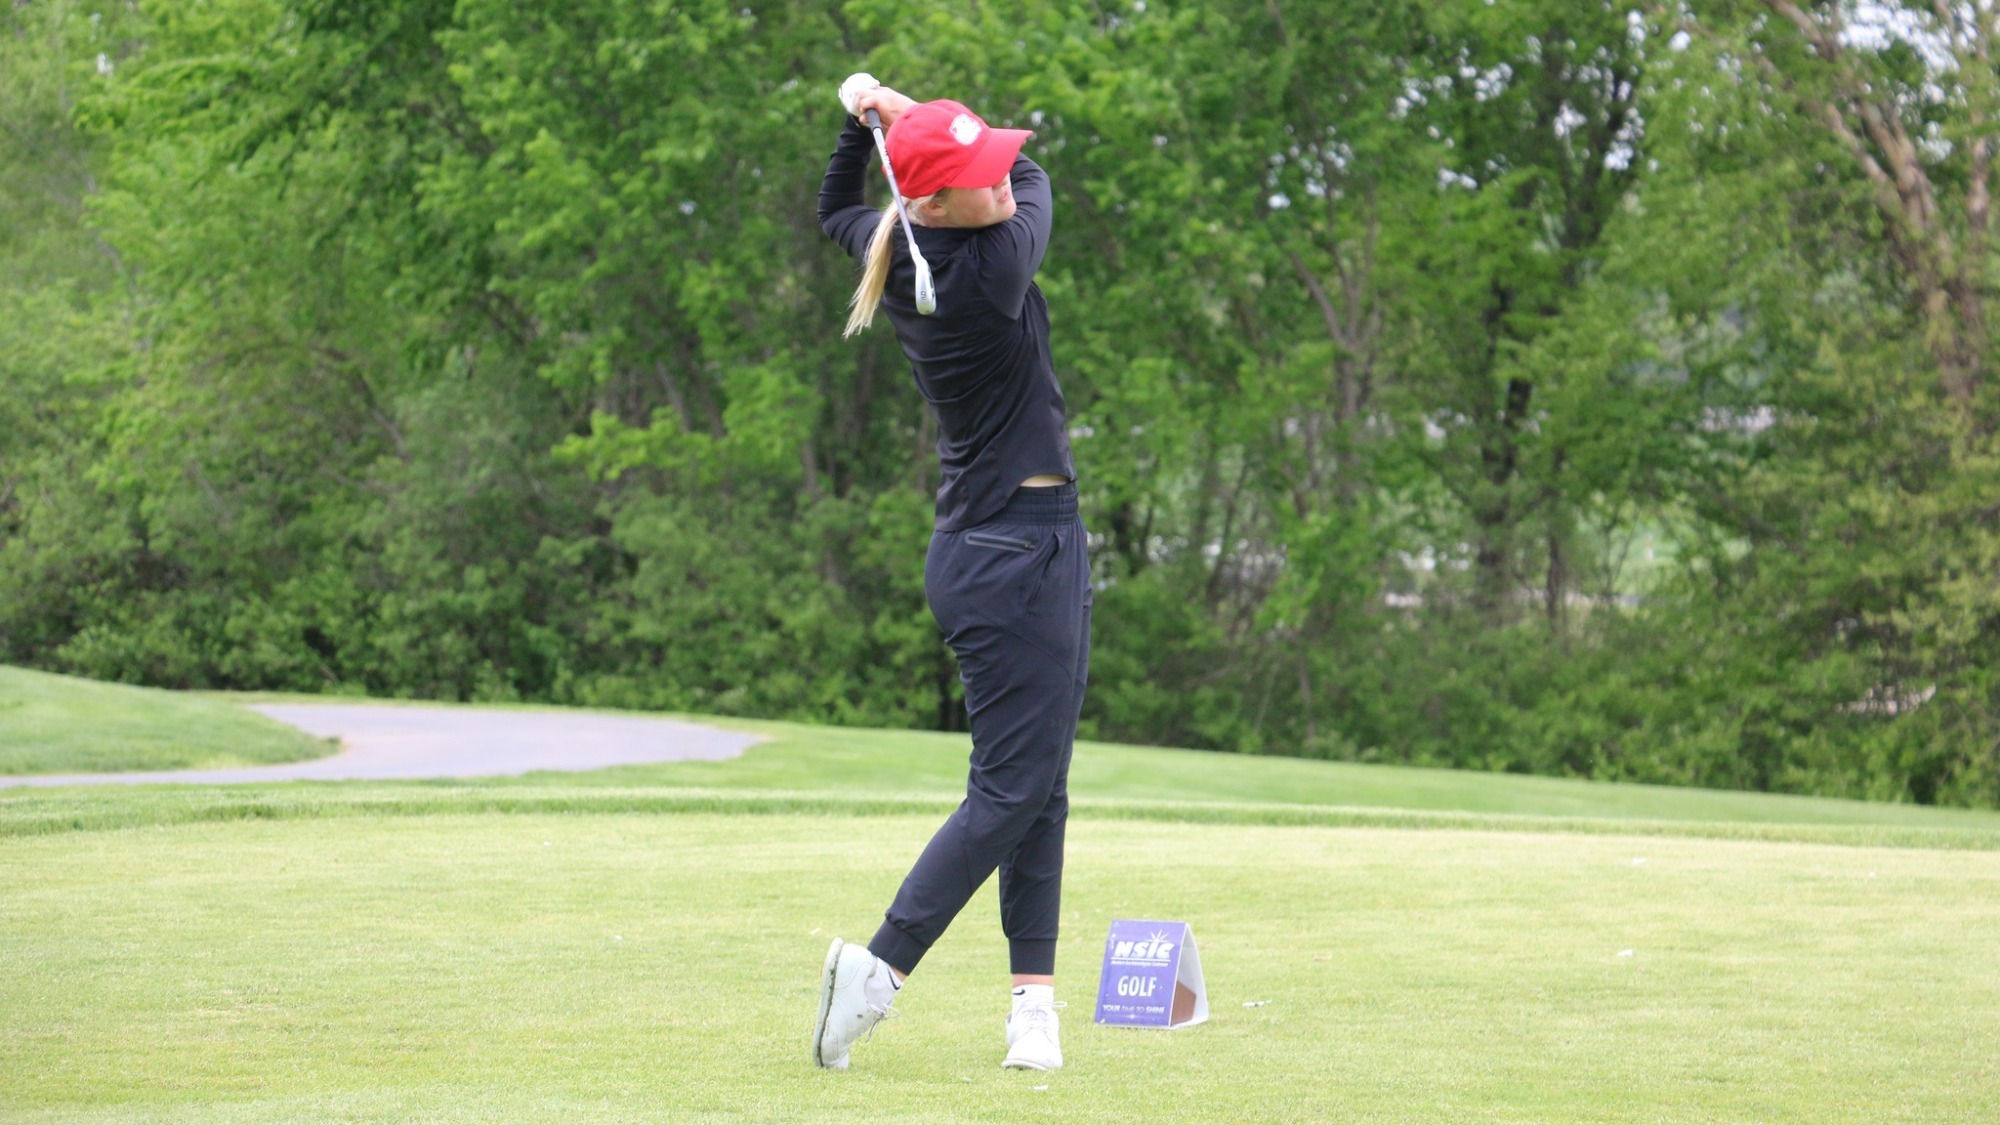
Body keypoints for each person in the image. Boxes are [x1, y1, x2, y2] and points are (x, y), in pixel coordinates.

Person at [809, 77, 1091, 1073]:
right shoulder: (993, 264)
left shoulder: (897, 246)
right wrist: (894, 106)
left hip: (997, 547)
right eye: (979, 174)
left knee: (1038, 783)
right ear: (933, 201)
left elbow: (837, 208)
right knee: (1012, 788)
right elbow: (1037, 175)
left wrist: (861, 128)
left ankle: (1032, 1012)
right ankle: (879, 968)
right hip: (1019, 550)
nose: (1002, 180)